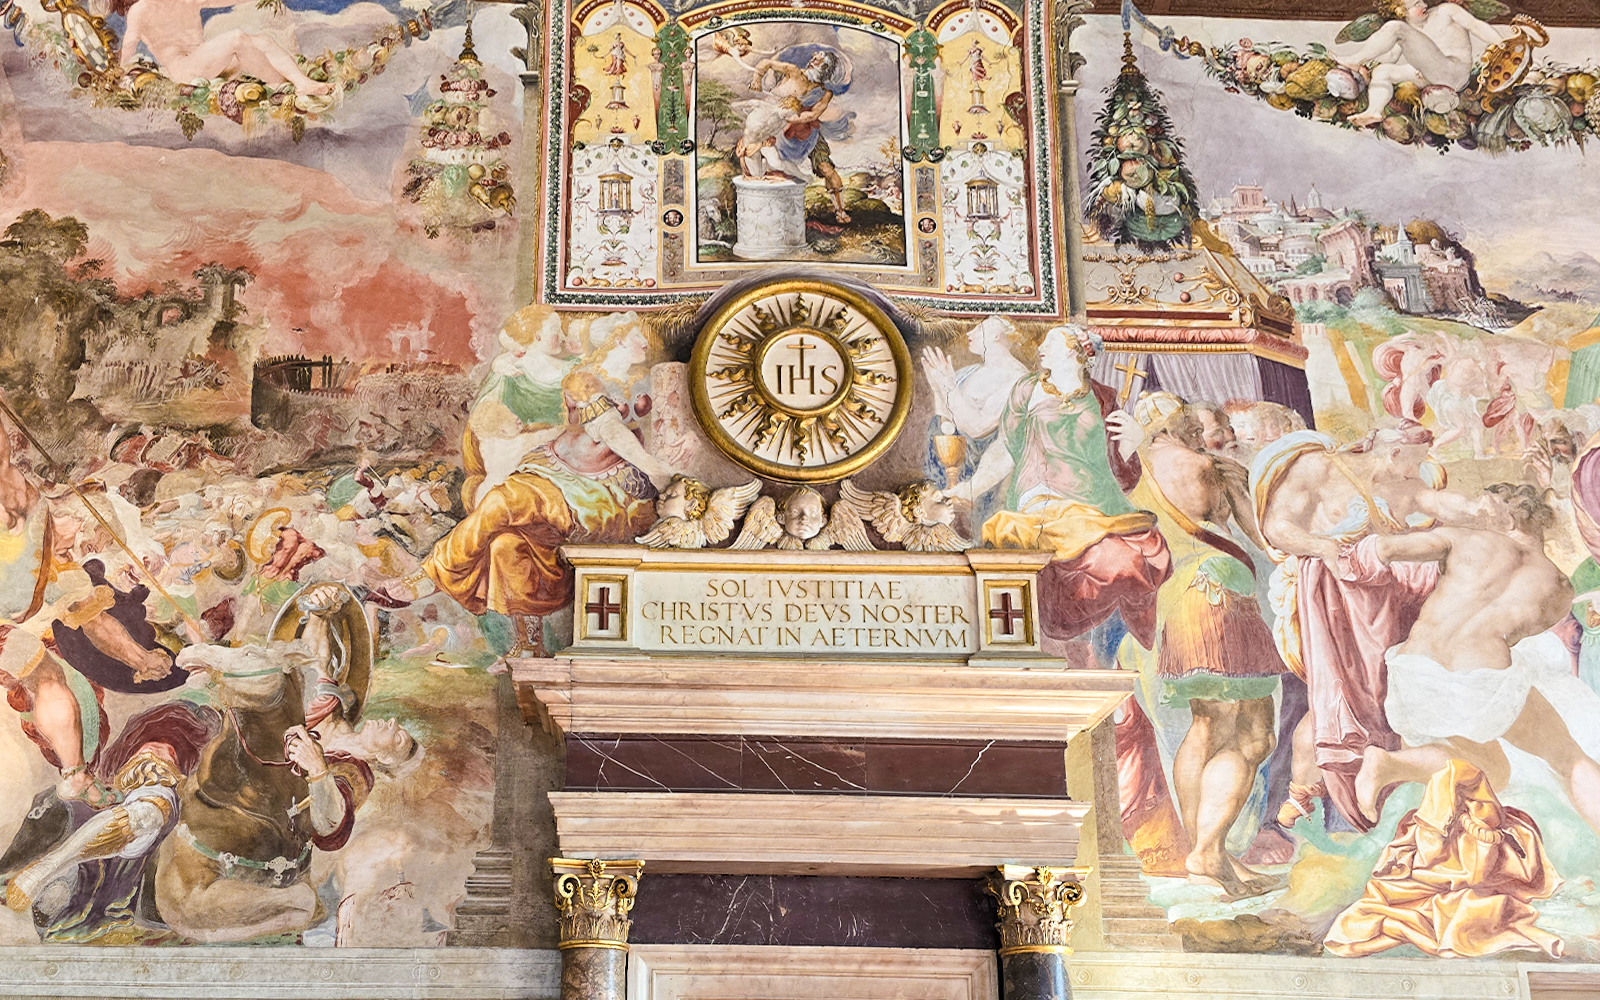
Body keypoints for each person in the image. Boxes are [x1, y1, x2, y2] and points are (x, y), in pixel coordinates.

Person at [1251, 424, 1480, 830]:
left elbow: (1438, 503)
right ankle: (1304, 791)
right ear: (1392, 455)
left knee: (1383, 697)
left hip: (1385, 603)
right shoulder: (1316, 468)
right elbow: (1277, 527)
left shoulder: (1403, 484)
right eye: (1414, 463)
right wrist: (1324, 547)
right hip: (1335, 601)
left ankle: (1381, 797)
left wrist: (1481, 510)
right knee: (1337, 699)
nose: (1418, 472)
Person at [413, 319, 676, 656]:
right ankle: (529, 645)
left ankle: (433, 574)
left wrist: (655, 471)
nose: (645, 344)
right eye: (637, 336)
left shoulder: (638, 383)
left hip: (600, 494)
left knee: (502, 499)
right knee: (506, 545)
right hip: (558, 472)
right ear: (619, 340)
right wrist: (658, 471)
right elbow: (608, 430)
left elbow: (623, 433)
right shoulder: (586, 379)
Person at [1353, 484, 1600, 838]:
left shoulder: (1463, 539)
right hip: (1479, 679)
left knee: (1493, 771)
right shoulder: (1559, 586)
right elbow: (1516, 635)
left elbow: (1383, 549)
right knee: (1568, 757)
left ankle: (1391, 763)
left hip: (1414, 671)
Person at [1117, 393, 1284, 897]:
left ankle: (1208, 851)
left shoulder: (1137, 472)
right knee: (1254, 736)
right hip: (1221, 596)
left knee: (1206, 726)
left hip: (1175, 604)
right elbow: (1269, 536)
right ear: (1183, 424)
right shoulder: (1212, 467)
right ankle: (1209, 852)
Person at [943, 325, 1170, 651]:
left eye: (1050, 341)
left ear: (1072, 351)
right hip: (1041, 502)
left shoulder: (1103, 398)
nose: (1040, 348)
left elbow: (1119, 474)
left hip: (1096, 505)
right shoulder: (1028, 390)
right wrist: (970, 488)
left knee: (1134, 557)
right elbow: (1007, 450)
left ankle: (1116, 650)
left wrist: (1131, 444)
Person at [921, 316, 1029, 528]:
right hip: (952, 473)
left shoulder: (1017, 379)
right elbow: (947, 424)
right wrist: (937, 386)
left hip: (989, 482)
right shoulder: (967, 373)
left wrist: (948, 387)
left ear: (997, 335)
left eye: (978, 329)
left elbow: (977, 427)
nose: (968, 334)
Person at [1336, 0, 1511, 127]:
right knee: (1383, 71)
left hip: (1454, 72)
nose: (1423, 4)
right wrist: (1369, 71)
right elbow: (1389, 57)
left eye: (1421, 0)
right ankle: (1374, 110)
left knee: (1396, 28)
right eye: (1416, 4)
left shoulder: (1445, 11)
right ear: (1401, 11)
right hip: (1432, 77)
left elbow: (1476, 25)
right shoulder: (1409, 34)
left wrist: (1504, 45)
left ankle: (1355, 60)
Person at [115, 0, 335, 96]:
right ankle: (280, 85)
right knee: (236, 38)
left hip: (211, 64)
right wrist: (121, 80)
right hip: (183, 71)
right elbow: (129, 47)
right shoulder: (140, 10)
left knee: (263, 40)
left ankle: (300, 83)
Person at [743, 46, 857, 223]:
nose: (812, 62)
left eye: (818, 61)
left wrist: (791, 117)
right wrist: (757, 79)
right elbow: (766, 62)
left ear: (826, 69)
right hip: (779, 128)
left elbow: (812, 115)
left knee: (827, 169)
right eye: (813, 59)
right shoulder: (793, 71)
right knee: (770, 160)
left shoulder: (825, 93)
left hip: (807, 133)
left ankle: (840, 211)